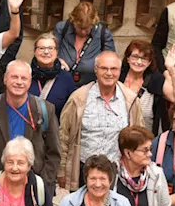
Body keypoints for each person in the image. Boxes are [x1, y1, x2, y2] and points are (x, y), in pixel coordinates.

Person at [58, 52, 144, 190]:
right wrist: (62, 170)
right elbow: (64, 136)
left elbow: (139, 138)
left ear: (119, 71)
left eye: (113, 69)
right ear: (96, 70)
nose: (109, 73)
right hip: (83, 171)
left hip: (118, 172)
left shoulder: (130, 100)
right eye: (104, 68)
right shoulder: (79, 98)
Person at [0, 60, 61, 190]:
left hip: (33, 184)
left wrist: (42, 185)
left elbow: (54, 153)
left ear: (30, 82)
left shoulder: (44, 110)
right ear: (5, 79)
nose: (19, 82)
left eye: (24, 78)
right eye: (14, 77)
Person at [119, 39, 175, 134]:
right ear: (128, 58)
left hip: (146, 138)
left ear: (149, 62)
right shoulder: (118, 77)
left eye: (144, 58)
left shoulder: (155, 79)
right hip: (118, 137)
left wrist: (171, 69)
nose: (139, 62)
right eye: (135, 57)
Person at [54, 1, 116, 87]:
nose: (83, 32)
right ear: (73, 21)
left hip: (90, 86)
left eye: (87, 28)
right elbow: (51, 51)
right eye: (79, 28)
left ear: (93, 23)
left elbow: (111, 63)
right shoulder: (62, 28)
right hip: (61, 84)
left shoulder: (103, 34)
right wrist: (57, 60)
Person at [29, 32, 76, 118]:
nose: (46, 52)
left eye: (50, 48)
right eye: (42, 48)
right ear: (35, 51)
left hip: (55, 129)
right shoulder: (26, 74)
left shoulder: (66, 78)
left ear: (56, 52)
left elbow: (71, 110)